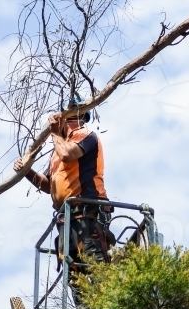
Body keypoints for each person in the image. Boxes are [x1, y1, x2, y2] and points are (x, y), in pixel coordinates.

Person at [13, 105, 114, 272]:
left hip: (88, 213)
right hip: (67, 218)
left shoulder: (86, 136)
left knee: (94, 262)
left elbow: (68, 155)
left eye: (69, 120)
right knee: (73, 271)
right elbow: (47, 185)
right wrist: (26, 171)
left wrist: (54, 133)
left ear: (78, 119)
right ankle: (81, 299)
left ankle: (106, 296)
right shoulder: (57, 152)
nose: (66, 124)